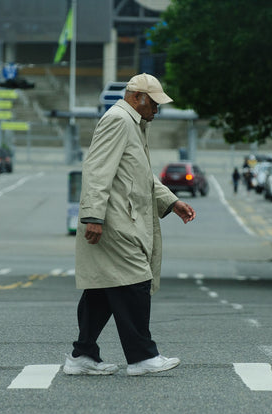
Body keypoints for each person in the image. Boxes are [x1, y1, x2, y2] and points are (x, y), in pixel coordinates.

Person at [63, 73, 196, 376]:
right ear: (139, 98)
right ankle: (142, 357)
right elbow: (96, 170)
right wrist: (93, 217)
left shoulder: (134, 124)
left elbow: (141, 175)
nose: (157, 111)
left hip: (121, 216)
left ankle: (82, 355)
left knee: (103, 289)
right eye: (155, 104)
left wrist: (171, 202)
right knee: (136, 280)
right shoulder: (119, 121)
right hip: (114, 220)